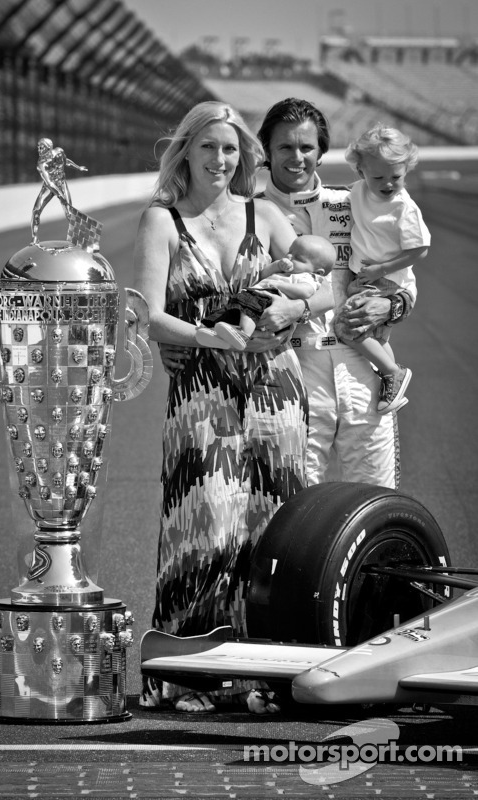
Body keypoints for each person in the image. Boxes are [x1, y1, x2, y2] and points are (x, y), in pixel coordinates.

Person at [133, 101, 331, 714]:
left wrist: (295, 311)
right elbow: (142, 312)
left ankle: (263, 673)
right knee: (205, 525)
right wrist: (200, 337)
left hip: (275, 392)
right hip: (201, 393)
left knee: (270, 525)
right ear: (185, 151)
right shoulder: (161, 221)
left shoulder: (264, 213)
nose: (222, 160)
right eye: (209, 147)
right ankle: (189, 673)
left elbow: (329, 281)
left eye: (232, 150)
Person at [251, 97, 418, 488]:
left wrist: (390, 305)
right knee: (295, 505)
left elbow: (405, 281)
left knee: (376, 498)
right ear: (267, 152)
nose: (297, 157)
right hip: (291, 369)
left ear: (321, 152)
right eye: (285, 147)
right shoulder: (248, 214)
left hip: (363, 368)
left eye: (306, 147)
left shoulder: (354, 202)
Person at [333, 124, 430, 414]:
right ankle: (392, 378)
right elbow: (343, 196)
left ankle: (392, 372)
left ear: (406, 169)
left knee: (346, 327)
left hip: (385, 281)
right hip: (364, 279)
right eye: (379, 177)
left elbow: (420, 249)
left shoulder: (403, 207)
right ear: (360, 171)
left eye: (396, 177)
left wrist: (382, 269)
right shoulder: (360, 190)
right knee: (372, 338)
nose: (388, 183)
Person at [195, 233, 336, 350]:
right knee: (233, 308)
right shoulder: (285, 270)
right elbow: (263, 275)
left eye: (298, 258)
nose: (289, 258)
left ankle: (243, 333)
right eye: (289, 252)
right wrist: (276, 266)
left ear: (318, 271)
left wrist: (279, 285)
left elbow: (304, 292)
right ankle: (210, 330)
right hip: (256, 294)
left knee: (250, 308)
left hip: (272, 299)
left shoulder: (310, 277)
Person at [31, 138, 88, 244]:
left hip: (61, 183)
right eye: (38, 147)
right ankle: (34, 238)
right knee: (36, 211)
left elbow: (66, 162)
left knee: (69, 212)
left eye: (41, 147)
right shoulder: (41, 164)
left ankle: (80, 238)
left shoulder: (59, 152)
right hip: (49, 187)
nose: (39, 149)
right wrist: (59, 195)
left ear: (48, 148)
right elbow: (49, 183)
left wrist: (78, 167)